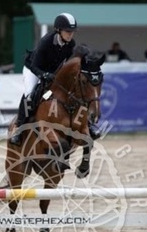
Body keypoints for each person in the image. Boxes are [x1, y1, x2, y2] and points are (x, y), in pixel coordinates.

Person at [10, 13, 99, 146]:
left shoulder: (70, 44)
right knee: (29, 93)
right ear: (58, 30)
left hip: (53, 72)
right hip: (33, 69)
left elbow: (67, 63)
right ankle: (19, 128)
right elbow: (34, 66)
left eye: (72, 32)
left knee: (75, 91)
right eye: (67, 31)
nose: (70, 34)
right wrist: (44, 75)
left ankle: (88, 124)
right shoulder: (46, 42)